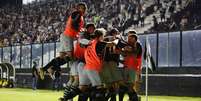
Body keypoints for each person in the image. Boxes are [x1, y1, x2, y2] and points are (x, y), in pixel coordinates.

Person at [119, 30, 142, 101]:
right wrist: (119, 51)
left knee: (129, 86)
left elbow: (134, 55)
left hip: (132, 68)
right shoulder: (128, 44)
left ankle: (134, 99)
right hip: (126, 67)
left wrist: (122, 51)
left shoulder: (137, 44)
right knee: (122, 86)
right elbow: (125, 54)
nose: (128, 38)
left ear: (134, 37)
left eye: (129, 36)